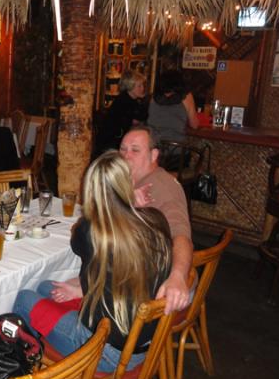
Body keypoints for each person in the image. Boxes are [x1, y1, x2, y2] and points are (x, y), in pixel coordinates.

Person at [13, 151, 172, 373]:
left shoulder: (91, 230)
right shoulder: (156, 218)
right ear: (128, 183)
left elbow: (77, 239)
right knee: (45, 287)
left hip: (106, 352)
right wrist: (130, 205)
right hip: (145, 342)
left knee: (23, 298)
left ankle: (35, 373)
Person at [50, 126, 193, 315]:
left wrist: (178, 276)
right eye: (123, 149)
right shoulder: (132, 182)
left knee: (44, 288)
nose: (126, 156)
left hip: (155, 295)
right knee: (60, 281)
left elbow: (181, 235)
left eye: (135, 150)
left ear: (153, 155)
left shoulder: (162, 188)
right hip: (129, 277)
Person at [147, 70, 198, 169]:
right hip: (177, 154)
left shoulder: (153, 98)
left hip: (155, 152)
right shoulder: (187, 97)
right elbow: (194, 125)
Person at [96, 70, 148, 153]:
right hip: (112, 145)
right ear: (130, 87)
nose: (142, 88)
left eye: (143, 85)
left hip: (119, 141)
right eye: (139, 86)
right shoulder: (123, 101)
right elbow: (132, 123)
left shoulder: (133, 100)